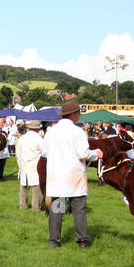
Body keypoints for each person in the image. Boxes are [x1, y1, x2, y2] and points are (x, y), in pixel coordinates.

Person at [43, 99, 103, 248]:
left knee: (57, 209)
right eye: (78, 114)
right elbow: (83, 153)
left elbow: (44, 152)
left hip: (56, 175)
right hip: (73, 176)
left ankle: (53, 240)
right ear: (74, 114)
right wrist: (96, 154)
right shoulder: (78, 131)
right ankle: (83, 240)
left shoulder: (51, 131)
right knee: (79, 209)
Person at [16, 120, 44, 211]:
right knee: (37, 187)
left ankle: (23, 206)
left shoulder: (22, 138)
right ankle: (36, 207)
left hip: (24, 164)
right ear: (38, 128)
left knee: (24, 186)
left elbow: (18, 153)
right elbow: (44, 153)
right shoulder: (39, 139)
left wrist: (20, 164)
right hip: (35, 165)